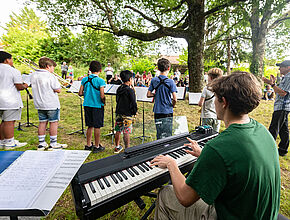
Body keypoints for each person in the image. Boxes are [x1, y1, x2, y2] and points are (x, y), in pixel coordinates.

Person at [151, 71, 280, 220]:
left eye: (216, 98)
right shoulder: (262, 130)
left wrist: (171, 163)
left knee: (166, 193)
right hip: (257, 213)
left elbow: (185, 197)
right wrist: (203, 154)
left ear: (224, 102)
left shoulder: (218, 147)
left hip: (230, 215)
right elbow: (237, 163)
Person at [30, 57, 67, 150]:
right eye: (52, 67)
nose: (53, 69)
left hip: (39, 103)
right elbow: (58, 89)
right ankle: (53, 143)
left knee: (42, 122)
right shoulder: (50, 76)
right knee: (53, 122)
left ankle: (41, 143)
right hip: (51, 103)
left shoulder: (34, 75)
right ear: (47, 66)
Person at [0, 51, 28, 149]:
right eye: (11, 59)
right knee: (9, 121)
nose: (12, 61)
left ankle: (2, 141)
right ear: (7, 60)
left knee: (3, 121)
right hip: (9, 101)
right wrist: (26, 84)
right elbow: (19, 86)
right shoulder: (12, 70)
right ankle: (10, 142)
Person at [262, 60, 290, 157]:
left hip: (282, 107)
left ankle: (268, 151)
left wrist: (272, 85)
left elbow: (283, 93)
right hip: (283, 107)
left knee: (274, 128)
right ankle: (283, 150)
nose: (279, 68)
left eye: (281, 66)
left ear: (288, 67)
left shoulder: (288, 77)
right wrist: (273, 83)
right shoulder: (285, 78)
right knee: (283, 129)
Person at [78, 60, 106, 153]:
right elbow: (102, 95)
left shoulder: (84, 79)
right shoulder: (101, 81)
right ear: (100, 70)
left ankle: (88, 144)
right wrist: (103, 101)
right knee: (97, 126)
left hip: (87, 104)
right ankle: (97, 146)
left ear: (89, 69)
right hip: (97, 105)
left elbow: (80, 93)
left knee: (89, 125)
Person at [147, 58, 177, 139]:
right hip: (167, 110)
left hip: (157, 110)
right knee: (168, 133)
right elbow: (175, 99)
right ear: (168, 68)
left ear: (158, 68)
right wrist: (173, 105)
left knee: (159, 132)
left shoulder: (154, 80)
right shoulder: (171, 82)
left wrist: (156, 95)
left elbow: (148, 94)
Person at [114, 70, 137, 153]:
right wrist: (134, 112)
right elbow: (133, 103)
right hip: (127, 113)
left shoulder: (119, 88)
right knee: (126, 131)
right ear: (130, 79)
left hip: (119, 112)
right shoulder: (130, 90)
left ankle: (117, 146)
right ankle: (127, 148)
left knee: (118, 129)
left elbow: (117, 100)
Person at [198, 68, 223, 132]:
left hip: (207, 116)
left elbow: (200, 103)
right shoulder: (221, 89)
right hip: (217, 116)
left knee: (206, 135)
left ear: (211, 78)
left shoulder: (206, 89)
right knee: (215, 135)